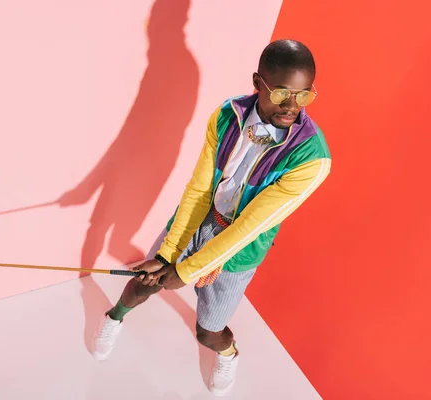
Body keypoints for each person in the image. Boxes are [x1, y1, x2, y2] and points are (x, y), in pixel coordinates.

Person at [91, 39, 332, 396]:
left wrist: (186, 271)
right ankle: (113, 318)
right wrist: (168, 254)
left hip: (241, 248)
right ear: (258, 82)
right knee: (146, 279)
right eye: (282, 93)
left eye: (304, 95)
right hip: (203, 217)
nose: (292, 106)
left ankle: (229, 355)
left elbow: (249, 228)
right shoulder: (227, 115)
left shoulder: (313, 159)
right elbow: (200, 190)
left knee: (207, 331)